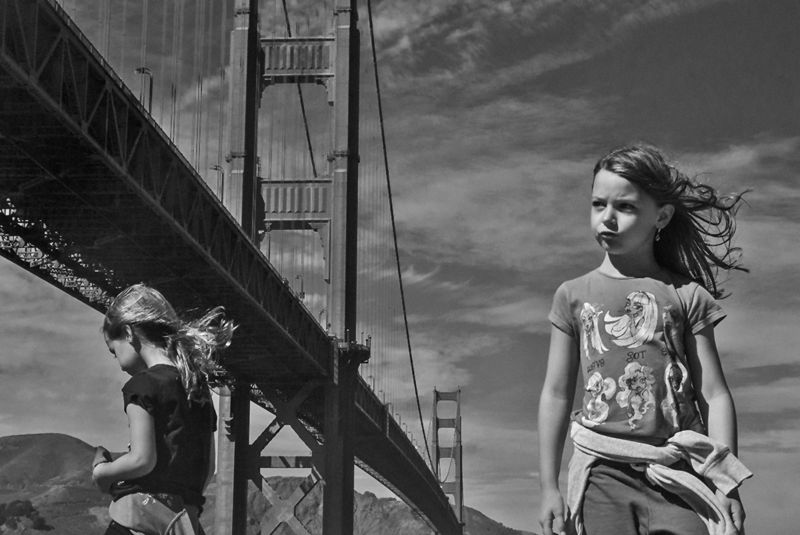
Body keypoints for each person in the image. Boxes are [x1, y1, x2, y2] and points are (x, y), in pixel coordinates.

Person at [537, 145, 752, 535]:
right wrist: (549, 486)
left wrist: (726, 483)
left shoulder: (687, 295)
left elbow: (714, 393)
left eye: (625, 207)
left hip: (677, 470)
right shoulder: (571, 296)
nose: (607, 218)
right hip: (602, 473)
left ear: (662, 217)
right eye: (598, 204)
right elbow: (556, 393)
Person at [92, 284, 235, 535]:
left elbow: (142, 460)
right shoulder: (197, 389)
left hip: (138, 522)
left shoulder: (142, 386)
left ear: (129, 333)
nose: (118, 363)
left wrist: (102, 473)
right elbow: (208, 469)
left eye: (114, 351)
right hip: (183, 523)